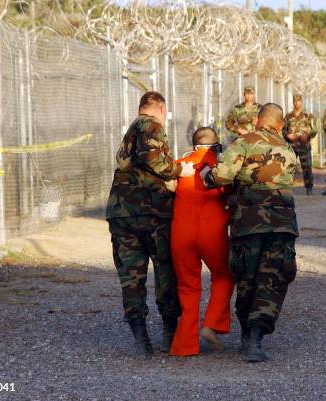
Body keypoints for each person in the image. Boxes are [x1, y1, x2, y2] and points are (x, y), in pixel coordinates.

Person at [200, 103, 298, 363]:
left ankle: (246, 334)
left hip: (248, 224)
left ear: (257, 120)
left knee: (247, 278)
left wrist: (206, 174)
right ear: (280, 124)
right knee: (272, 279)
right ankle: (255, 338)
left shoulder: (243, 142)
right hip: (281, 224)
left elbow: (222, 176)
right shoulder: (288, 149)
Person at [105, 91, 194, 359]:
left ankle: (141, 338)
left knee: (132, 278)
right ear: (161, 108)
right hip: (151, 213)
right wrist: (181, 171)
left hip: (122, 214)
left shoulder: (131, 131)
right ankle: (169, 333)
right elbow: (152, 158)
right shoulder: (150, 125)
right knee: (166, 271)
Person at [169, 127, 235, 356]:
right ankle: (212, 325)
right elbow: (231, 195)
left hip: (181, 233)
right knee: (224, 275)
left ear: (193, 145)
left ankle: (184, 345)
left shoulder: (179, 165)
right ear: (216, 145)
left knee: (187, 287)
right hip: (212, 232)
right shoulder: (220, 168)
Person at [284, 93, 317, 195]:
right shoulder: (288, 116)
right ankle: (287, 188)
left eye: (298, 101)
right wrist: (287, 136)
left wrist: (307, 136)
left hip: (304, 145)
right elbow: (283, 130)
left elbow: (314, 129)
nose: (296, 103)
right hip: (291, 146)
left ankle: (309, 188)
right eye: (295, 101)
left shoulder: (307, 116)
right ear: (293, 102)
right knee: (289, 167)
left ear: (301, 102)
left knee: (307, 167)